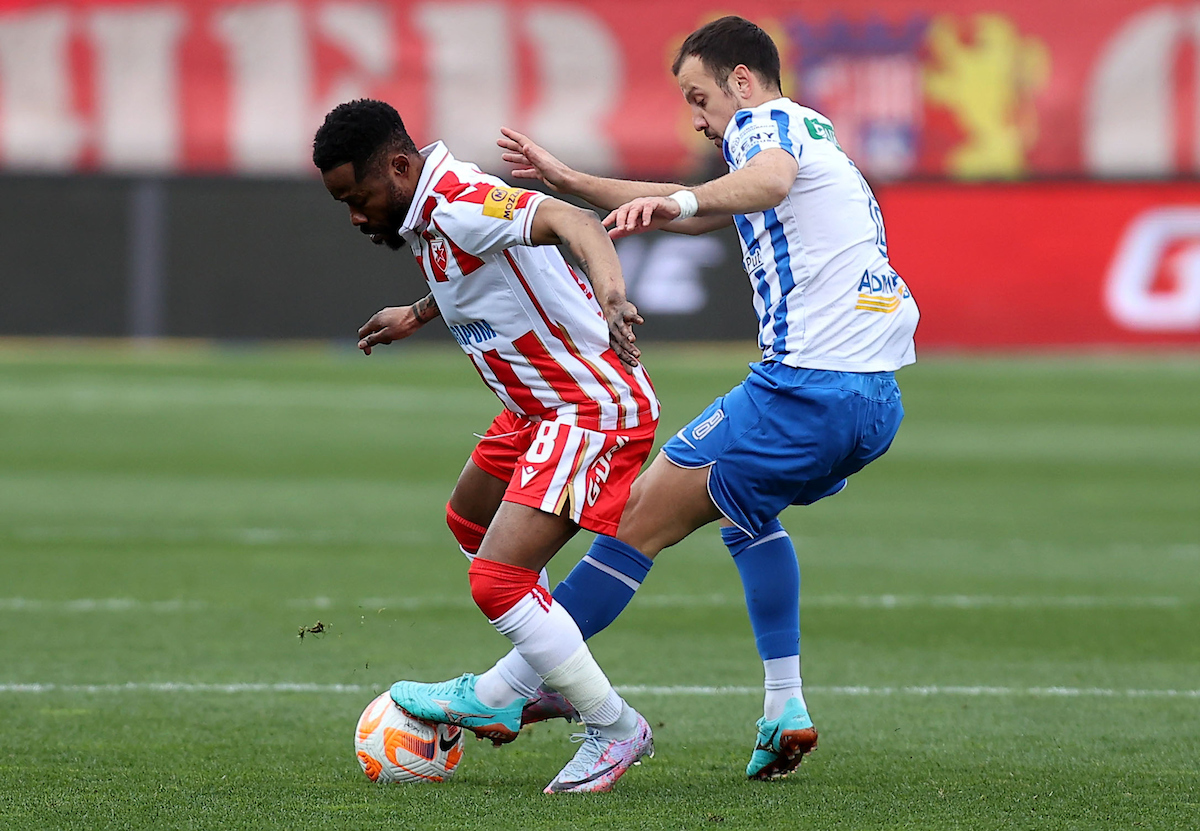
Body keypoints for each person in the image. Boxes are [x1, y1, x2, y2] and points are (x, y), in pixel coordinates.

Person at [394, 15, 919, 781]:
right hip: (873, 400)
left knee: (637, 516)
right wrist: (573, 182)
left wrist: (679, 205)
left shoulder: (765, 126)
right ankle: (785, 705)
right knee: (746, 514)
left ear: (743, 81)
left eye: (700, 98)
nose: (698, 119)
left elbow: (758, 183)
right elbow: (705, 202)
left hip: (806, 389)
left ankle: (507, 689)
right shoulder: (813, 134)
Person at [311, 98, 662, 794]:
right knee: (469, 516)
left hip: (588, 407)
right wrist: (417, 313)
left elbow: (574, 220)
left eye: (357, 197)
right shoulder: (426, 210)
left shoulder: (459, 201)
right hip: (532, 408)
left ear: (400, 166)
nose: (355, 216)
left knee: (497, 580)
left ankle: (614, 727)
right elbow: (476, 268)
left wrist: (613, 296)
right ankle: (538, 674)